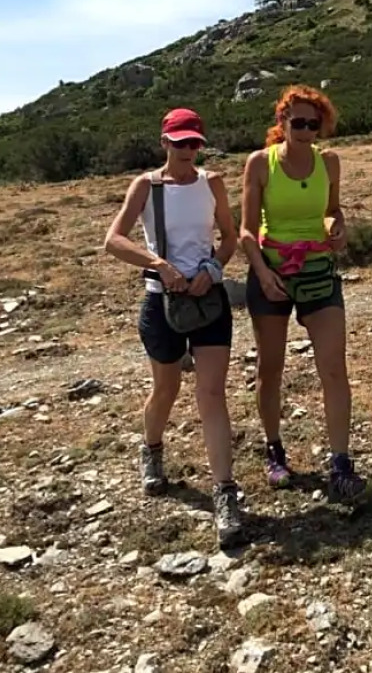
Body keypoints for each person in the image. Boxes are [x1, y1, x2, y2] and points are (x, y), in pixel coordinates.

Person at [104, 107, 243, 547]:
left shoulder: (212, 183)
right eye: (180, 143)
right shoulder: (147, 186)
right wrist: (159, 265)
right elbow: (114, 239)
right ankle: (152, 449)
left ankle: (225, 493)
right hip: (162, 303)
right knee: (165, 388)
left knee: (212, 393)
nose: (188, 150)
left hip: (208, 300)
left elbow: (230, 237)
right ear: (164, 142)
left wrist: (212, 268)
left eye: (194, 143)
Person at [239, 84, 371, 504]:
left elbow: (332, 210)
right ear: (282, 121)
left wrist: (338, 227)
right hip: (272, 271)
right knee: (270, 368)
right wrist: (263, 274)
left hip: (318, 271)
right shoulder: (260, 164)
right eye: (297, 122)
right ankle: (274, 450)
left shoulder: (329, 162)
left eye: (313, 125)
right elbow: (246, 231)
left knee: (334, 368)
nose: (305, 131)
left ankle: (341, 464)